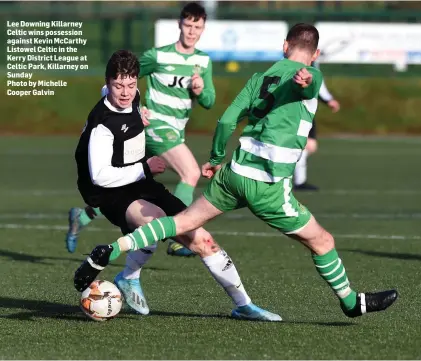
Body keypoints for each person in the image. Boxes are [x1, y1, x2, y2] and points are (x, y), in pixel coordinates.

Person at [74, 24, 398, 320]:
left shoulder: (259, 78)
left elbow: (227, 119)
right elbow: (310, 89)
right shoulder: (309, 74)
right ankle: (351, 303)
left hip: (232, 174)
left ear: (284, 46)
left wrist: (215, 158)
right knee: (323, 241)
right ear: (314, 55)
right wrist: (310, 80)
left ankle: (111, 251)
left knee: (185, 226)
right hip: (268, 186)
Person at [73, 48, 279, 321]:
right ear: (108, 82)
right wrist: (144, 167)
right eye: (117, 86)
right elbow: (99, 175)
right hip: (110, 190)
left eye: (131, 84)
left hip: (139, 181)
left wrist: (139, 118)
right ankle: (130, 275)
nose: (124, 92)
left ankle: (244, 305)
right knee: (154, 220)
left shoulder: (131, 95)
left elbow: (122, 97)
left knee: (202, 239)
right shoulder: (103, 125)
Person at [65, 2, 215, 257]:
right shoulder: (157, 56)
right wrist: (138, 110)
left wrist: (201, 91)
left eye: (197, 27)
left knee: (134, 185)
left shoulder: (203, 61)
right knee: (190, 172)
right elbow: (125, 78)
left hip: (175, 131)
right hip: (155, 127)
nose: (191, 31)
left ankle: (84, 215)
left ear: (203, 29)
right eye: (188, 25)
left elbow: (210, 101)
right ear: (179, 24)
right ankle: (178, 237)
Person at [293, 60, 340, 191]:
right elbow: (319, 86)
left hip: (306, 112)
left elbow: (318, 84)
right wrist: (329, 100)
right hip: (300, 112)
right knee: (305, 146)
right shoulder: (305, 66)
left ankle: (297, 179)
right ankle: (299, 181)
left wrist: (328, 100)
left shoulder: (309, 65)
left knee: (309, 146)